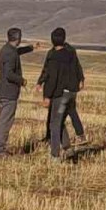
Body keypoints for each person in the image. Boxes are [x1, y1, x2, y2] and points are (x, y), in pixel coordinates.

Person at [35, 26, 86, 160]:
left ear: (52, 41)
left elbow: (51, 77)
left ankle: (55, 155)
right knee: (61, 119)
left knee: (55, 123)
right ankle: (68, 148)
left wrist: (46, 95)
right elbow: (77, 66)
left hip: (61, 95)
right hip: (71, 93)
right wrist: (81, 80)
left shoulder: (53, 56)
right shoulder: (71, 52)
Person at [0, 27, 36, 158]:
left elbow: (17, 52)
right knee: (5, 122)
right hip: (8, 92)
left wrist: (31, 48)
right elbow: (9, 73)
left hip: (2, 90)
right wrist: (22, 81)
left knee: (2, 120)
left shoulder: (6, 49)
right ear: (18, 38)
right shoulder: (10, 53)